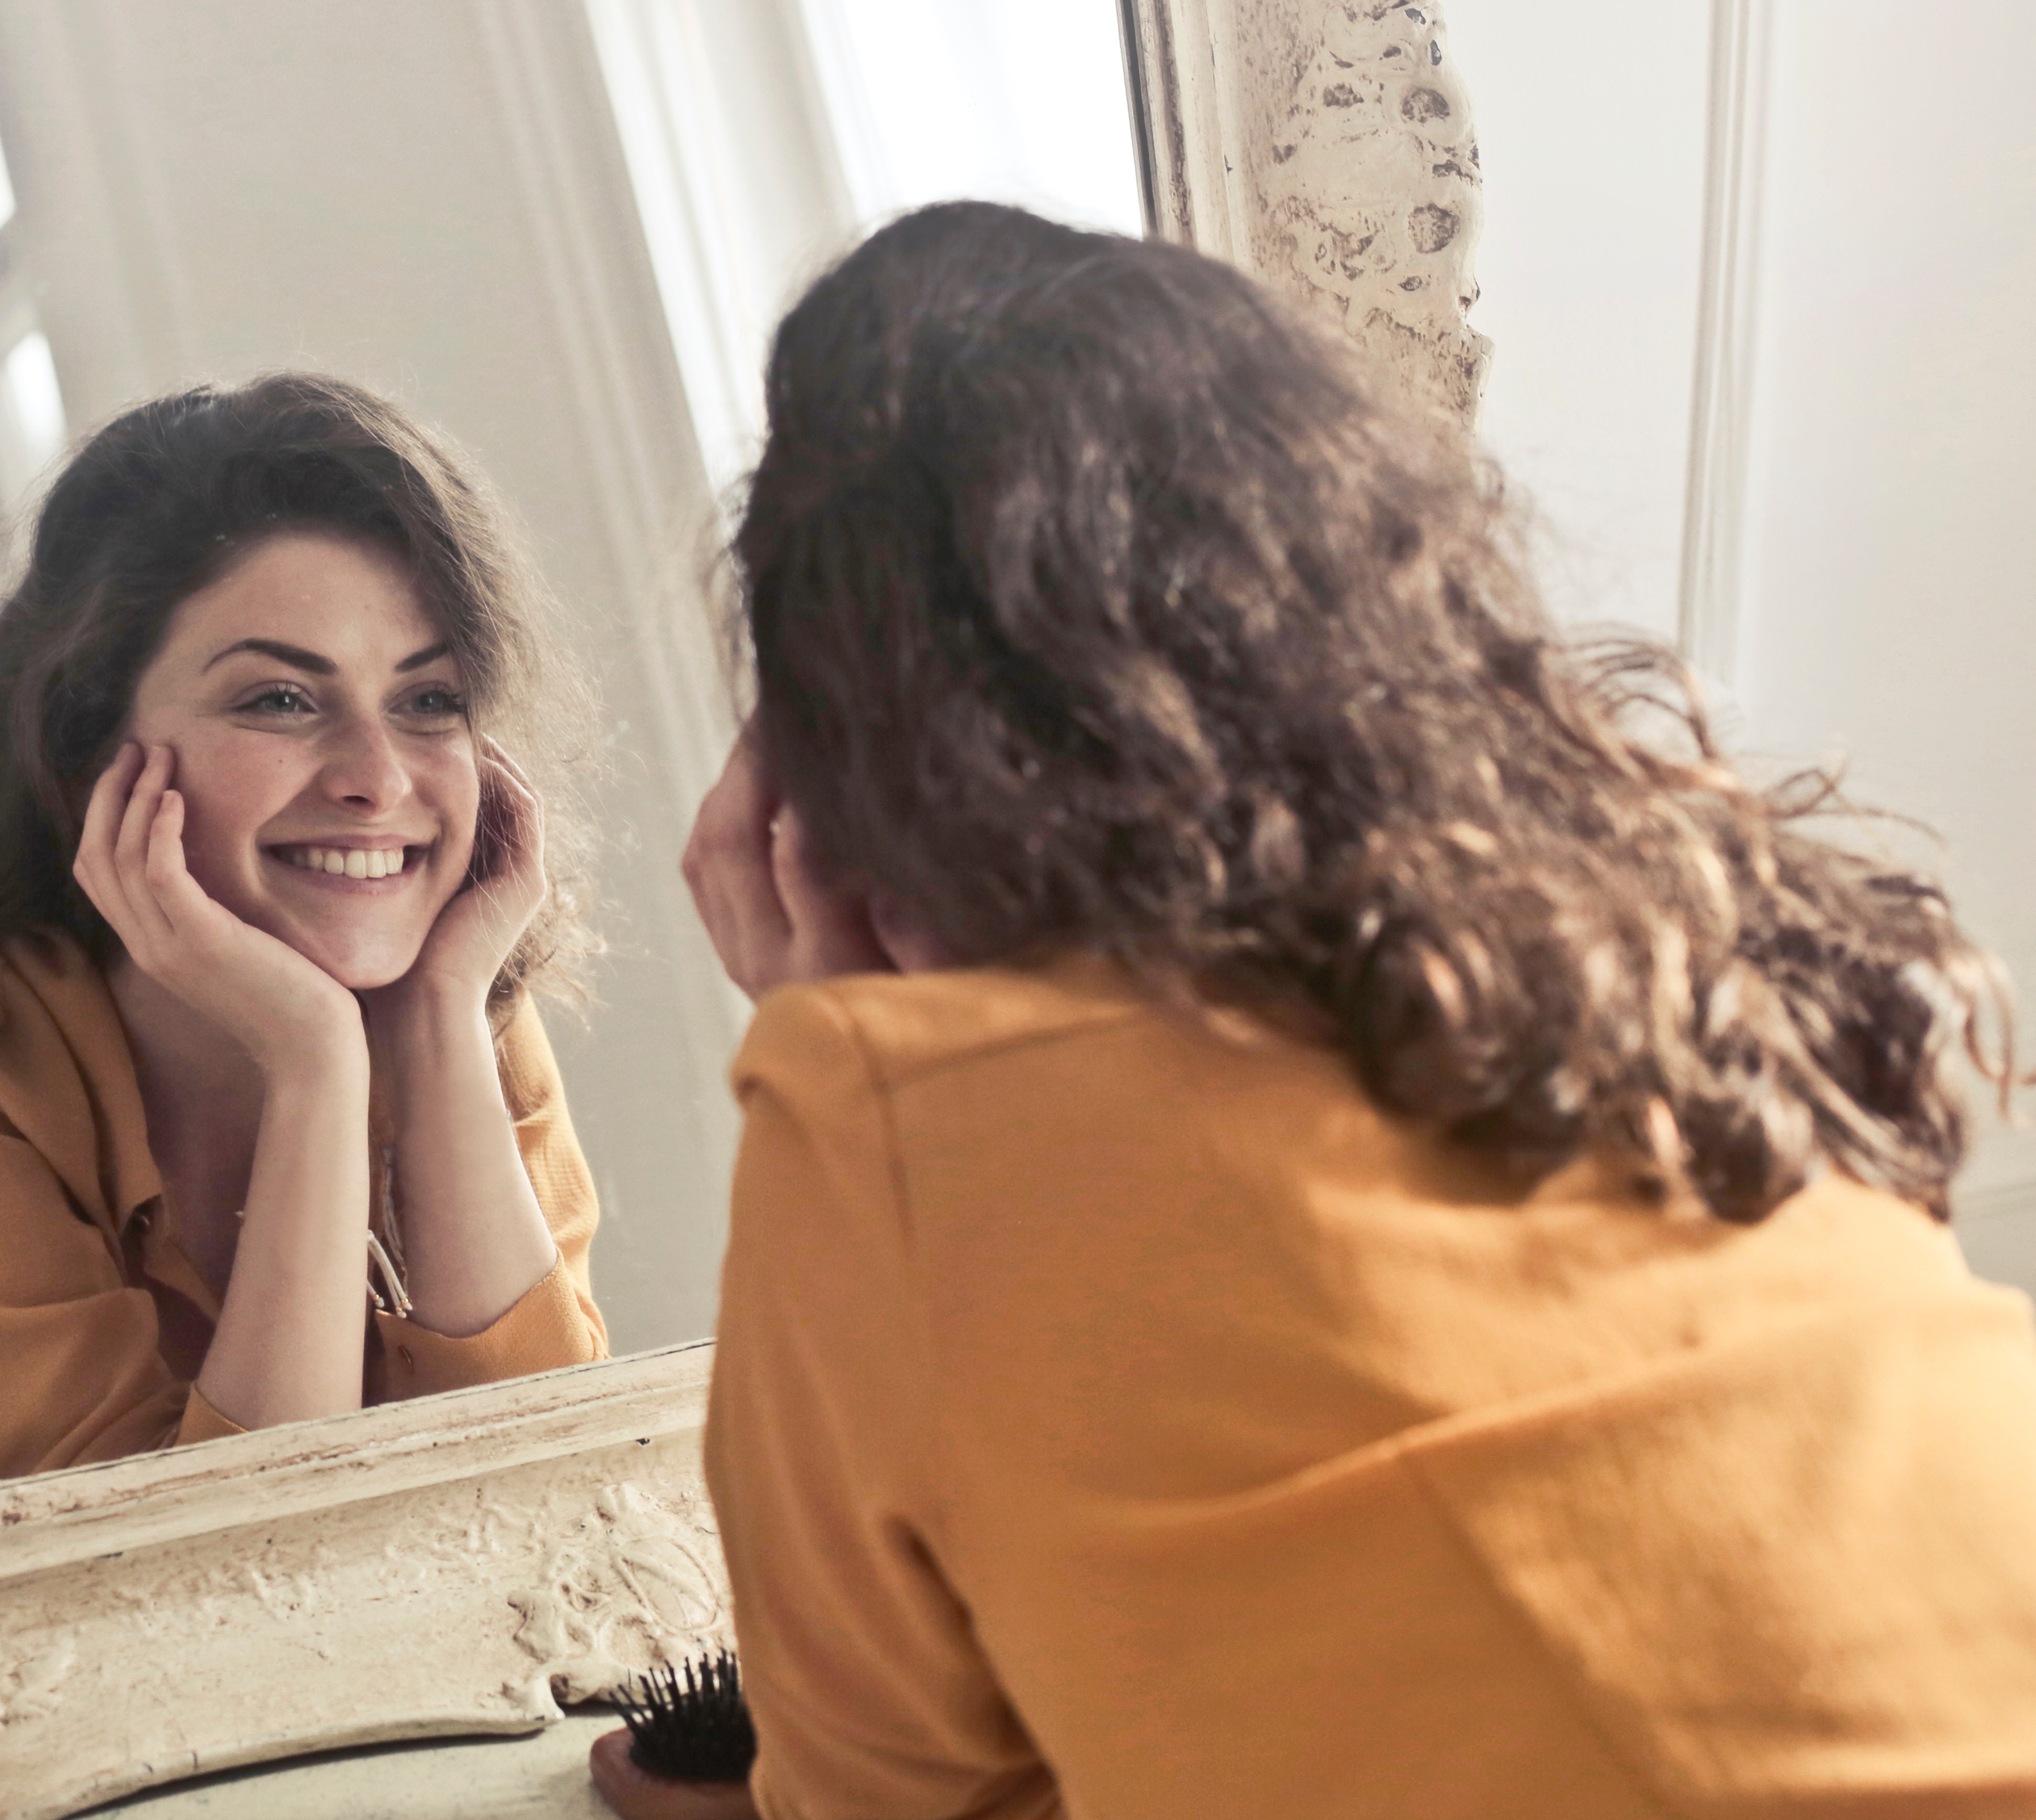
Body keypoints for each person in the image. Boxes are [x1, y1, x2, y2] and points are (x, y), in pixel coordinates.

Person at [605, 203, 2036, 1818]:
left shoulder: (901, 1122)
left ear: (835, 788)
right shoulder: (1665, 922)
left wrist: (827, 1029)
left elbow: (887, 1805)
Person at [0, 373, 610, 1518]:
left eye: (429, 700)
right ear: (86, 749)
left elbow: (553, 1502)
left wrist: (439, 1024)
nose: (378, 778)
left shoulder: (457, 1004)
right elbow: (179, 1577)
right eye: (276, 701)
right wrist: (314, 1066)